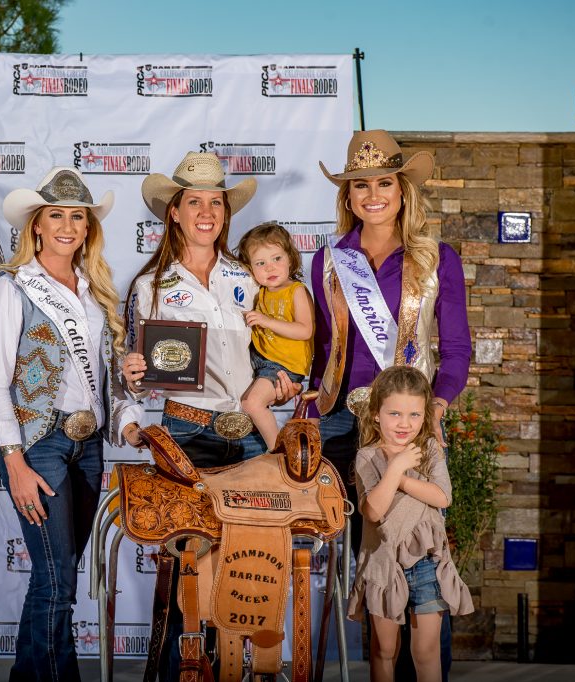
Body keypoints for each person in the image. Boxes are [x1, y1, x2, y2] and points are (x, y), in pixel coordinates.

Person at [120, 151, 301, 680]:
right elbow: (127, 366)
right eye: (194, 201)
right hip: (187, 431)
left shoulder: (246, 277)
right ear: (173, 211)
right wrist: (132, 373)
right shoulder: (148, 286)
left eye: (215, 202)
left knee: (248, 566)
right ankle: (188, 669)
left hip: (247, 435)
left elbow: (270, 348)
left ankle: (242, 668)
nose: (206, 211)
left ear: (226, 211)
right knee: (190, 572)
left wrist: (283, 379)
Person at [311, 129, 471, 680]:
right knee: (372, 556)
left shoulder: (437, 258)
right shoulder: (329, 260)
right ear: (348, 195)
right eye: (360, 185)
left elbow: (455, 349)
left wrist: (438, 409)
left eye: (383, 182)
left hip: (409, 424)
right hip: (340, 422)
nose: (372, 194)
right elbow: (322, 349)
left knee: (423, 548)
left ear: (402, 190)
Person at [0, 167, 145, 681]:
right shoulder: (12, 288)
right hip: (39, 443)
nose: (68, 225)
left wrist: (130, 394)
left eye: (78, 216)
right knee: (56, 582)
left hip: (89, 444)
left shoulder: (97, 291)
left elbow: (105, 378)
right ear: (36, 225)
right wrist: (14, 459)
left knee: (57, 577)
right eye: (57, 215)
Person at [347, 365, 473, 682]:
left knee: (426, 651)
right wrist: (397, 467)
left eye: (415, 415)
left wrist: (401, 478)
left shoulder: (429, 450)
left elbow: (442, 496)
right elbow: (373, 511)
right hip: (383, 563)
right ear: (375, 413)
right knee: (384, 649)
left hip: (427, 561)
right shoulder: (367, 456)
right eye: (395, 414)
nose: (405, 424)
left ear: (425, 415)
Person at [236, 222, 315, 448]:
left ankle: (278, 450)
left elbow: (305, 330)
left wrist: (266, 321)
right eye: (261, 263)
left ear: (290, 258)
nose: (270, 268)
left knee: (252, 404)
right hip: (260, 359)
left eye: (277, 259)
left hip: (283, 365)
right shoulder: (259, 291)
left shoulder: (296, 291)